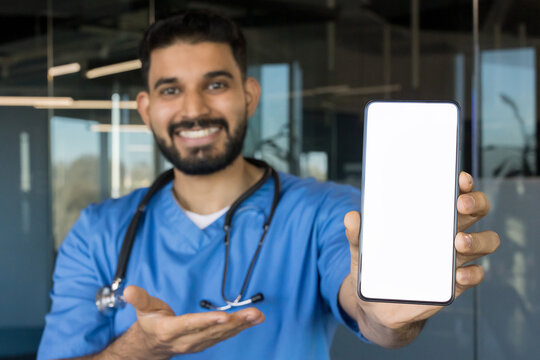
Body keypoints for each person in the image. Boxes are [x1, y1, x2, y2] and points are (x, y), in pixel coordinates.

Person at [37, 9, 500, 360]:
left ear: (249, 95)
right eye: (171, 89)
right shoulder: (98, 233)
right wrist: (142, 346)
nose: (193, 109)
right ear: (145, 108)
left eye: (215, 84)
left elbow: (373, 315)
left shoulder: (326, 212)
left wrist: (385, 314)